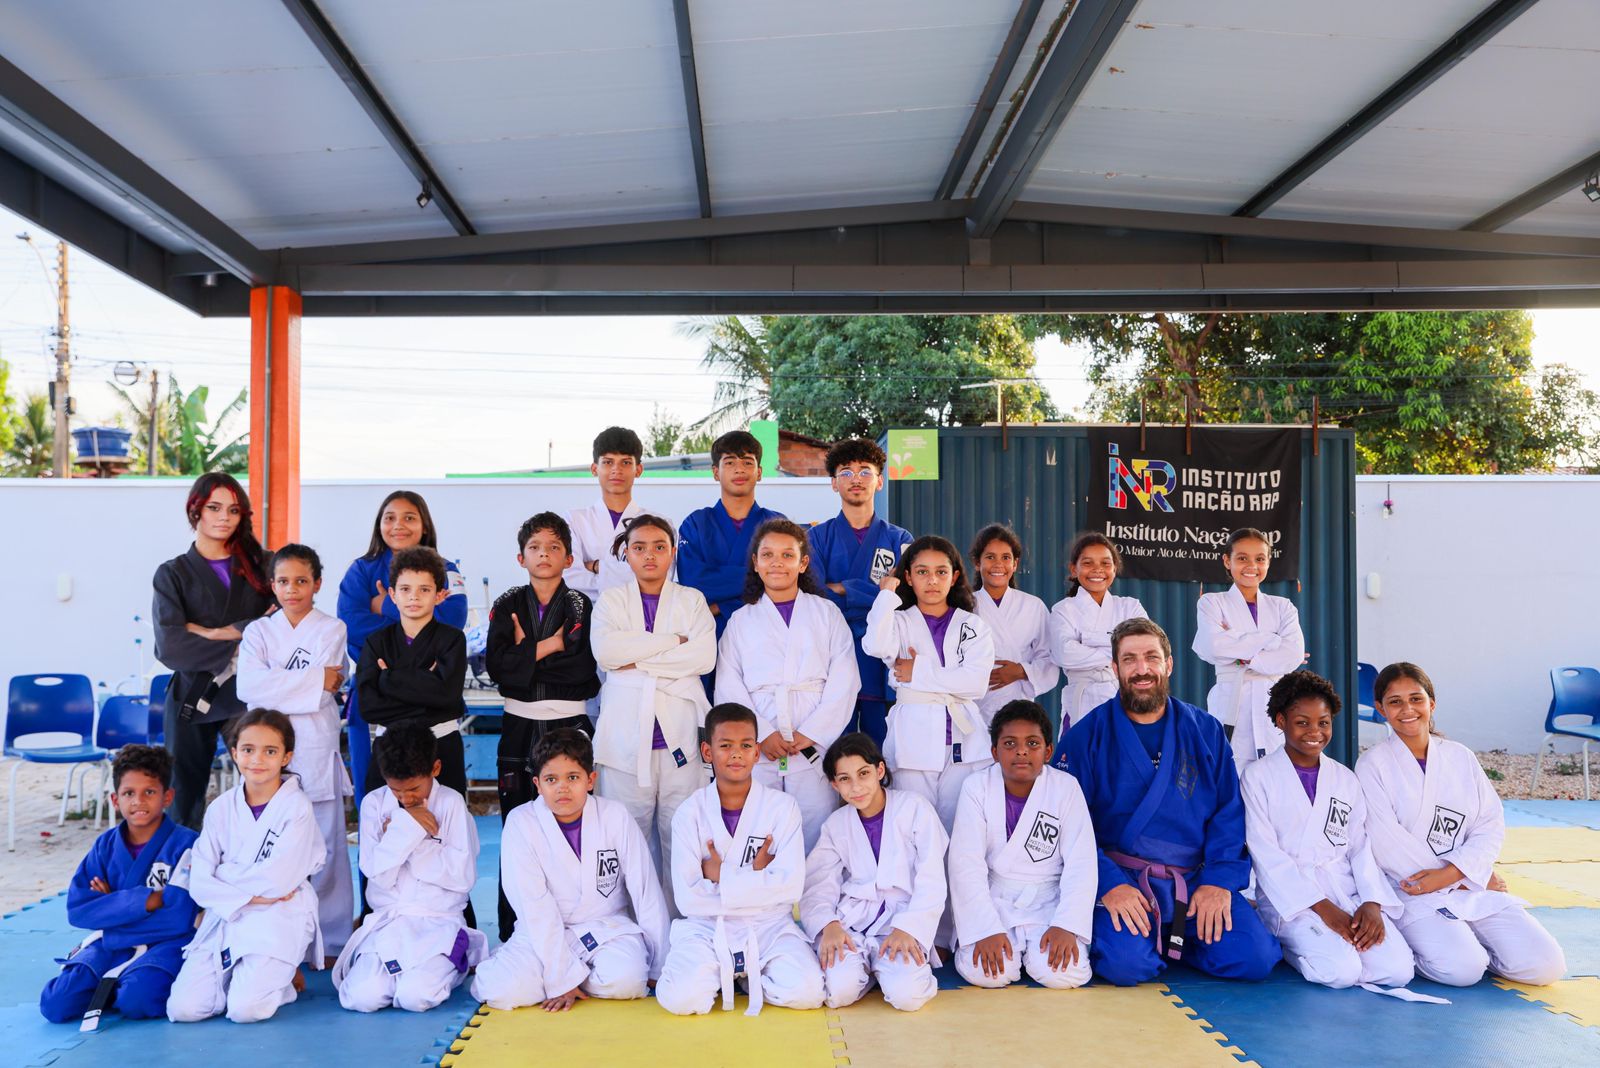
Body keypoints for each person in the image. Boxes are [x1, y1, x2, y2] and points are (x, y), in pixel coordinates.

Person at [1054, 617, 1281, 987]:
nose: (1141, 669)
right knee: (1126, 968)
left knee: (1254, 958)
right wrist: (1108, 885)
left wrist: (1218, 882)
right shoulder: (1086, 736)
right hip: (1126, 883)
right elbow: (1068, 825)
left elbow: (1229, 813)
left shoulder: (1205, 730)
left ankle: (1169, 942)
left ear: (1168, 664)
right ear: (1114, 668)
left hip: (1192, 883)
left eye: (1151, 657)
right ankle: (1153, 943)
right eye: (1129, 660)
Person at [1357, 662, 1566, 987]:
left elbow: (1489, 824)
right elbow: (1385, 841)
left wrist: (1457, 874)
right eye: (1395, 701)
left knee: (1545, 966)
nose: (1407, 709)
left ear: (1432, 704)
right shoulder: (1372, 765)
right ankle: (1436, 943)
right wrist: (1455, 876)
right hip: (1414, 889)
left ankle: (1474, 941)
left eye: (1416, 699)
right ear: (1381, 709)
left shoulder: (1460, 757)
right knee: (1463, 970)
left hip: (1467, 885)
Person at [1241, 671, 1416, 993]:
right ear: (1280, 721)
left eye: (1323, 722)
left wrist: (1372, 904)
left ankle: (1336, 944)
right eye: (1302, 722)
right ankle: (1289, 942)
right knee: (1340, 972)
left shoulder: (1344, 778)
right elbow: (1265, 854)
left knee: (1398, 971)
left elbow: (1361, 847)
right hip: (1292, 898)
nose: (1315, 732)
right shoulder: (1258, 777)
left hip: (1343, 891)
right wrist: (1323, 909)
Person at [472, 729, 669, 1012]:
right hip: (544, 934)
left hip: (606, 928)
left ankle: (566, 978)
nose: (562, 788)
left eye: (573, 778)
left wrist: (658, 966)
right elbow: (534, 905)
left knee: (626, 983)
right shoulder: (522, 822)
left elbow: (645, 889)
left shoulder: (615, 816)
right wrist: (562, 976)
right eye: (552, 779)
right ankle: (558, 974)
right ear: (537, 784)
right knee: (504, 991)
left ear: (591, 780)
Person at [655, 703, 824, 1016]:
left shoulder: (782, 807)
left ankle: (744, 977)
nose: (736, 754)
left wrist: (722, 876)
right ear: (707, 752)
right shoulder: (689, 814)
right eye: (725, 746)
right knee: (681, 1000)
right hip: (708, 927)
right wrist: (759, 878)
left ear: (757, 753)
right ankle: (726, 973)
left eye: (746, 746)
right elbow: (689, 899)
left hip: (768, 926)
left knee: (808, 992)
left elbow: (790, 888)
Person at [591, 514, 716, 916]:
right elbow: (607, 654)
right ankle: (628, 930)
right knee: (627, 841)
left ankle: (683, 930)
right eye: (639, 547)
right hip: (626, 741)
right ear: (625, 553)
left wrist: (638, 660)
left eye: (659, 546)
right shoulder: (611, 601)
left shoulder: (691, 600)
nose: (650, 555)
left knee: (681, 839)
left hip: (679, 738)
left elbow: (703, 656)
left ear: (673, 552)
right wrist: (669, 644)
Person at [167, 710, 326, 1024]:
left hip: (277, 913)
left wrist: (222, 874)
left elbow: (279, 881)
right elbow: (198, 881)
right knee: (183, 1010)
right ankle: (260, 976)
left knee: (245, 1010)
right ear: (234, 752)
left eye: (270, 751)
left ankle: (280, 984)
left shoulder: (296, 807)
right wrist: (245, 893)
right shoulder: (221, 808)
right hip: (229, 914)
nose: (258, 759)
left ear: (286, 756)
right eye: (249, 750)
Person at [485, 512, 600, 938]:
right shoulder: (506, 604)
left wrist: (525, 655)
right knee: (516, 824)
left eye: (554, 547)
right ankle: (514, 930)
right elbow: (497, 667)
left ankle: (575, 923)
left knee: (574, 821)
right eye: (535, 547)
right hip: (518, 725)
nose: (544, 554)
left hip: (568, 722)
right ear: (520, 557)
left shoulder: (579, 605)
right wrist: (551, 647)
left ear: (569, 557)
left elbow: (582, 670)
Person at [237, 543, 354, 959]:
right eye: (283, 581)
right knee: (271, 842)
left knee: (326, 845)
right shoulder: (257, 632)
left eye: (301, 581)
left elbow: (328, 688)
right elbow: (248, 689)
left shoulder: (331, 629)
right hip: (266, 750)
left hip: (315, 745)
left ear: (317, 584)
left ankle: (334, 938)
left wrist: (281, 682)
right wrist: (310, 680)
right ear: (272, 585)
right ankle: (277, 939)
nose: (292, 589)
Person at [715, 518, 859, 850]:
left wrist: (814, 733)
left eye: (787, 555)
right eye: (767, 555)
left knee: (816, 830)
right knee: (758, 829)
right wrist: (761, 734)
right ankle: (764, 900)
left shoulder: (826, 613)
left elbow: (845, 678)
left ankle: (811, 902)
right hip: (760, 744)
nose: (777, 563)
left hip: (812, 743)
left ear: (803, 562)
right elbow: (728, 683)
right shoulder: (741, 620)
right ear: (755, 562)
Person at [39, 745, 200, 1026]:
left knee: (138, 1001)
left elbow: (179, 917)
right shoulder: (105, 846)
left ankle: (119, 988)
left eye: (149, 792)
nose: (138, 801)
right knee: (56, 1003)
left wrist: (113, 906)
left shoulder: (186, 845)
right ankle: (114, 985)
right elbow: (79, 910)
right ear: (115, 799)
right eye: (128, 793)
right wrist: (145, 901)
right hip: (111, 945)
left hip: (165, 944)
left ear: (167, 797)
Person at [333, 724, 486, 1013]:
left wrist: (411, 837)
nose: (406, 798)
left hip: (439, 921)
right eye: (396, 790)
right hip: (389, 922)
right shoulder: (373, 804)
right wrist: (406, 829)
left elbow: (461, 877)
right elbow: (376, 874)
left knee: (415, 997)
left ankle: (457, 962)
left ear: (436, 768)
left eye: (414, 788)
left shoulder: (452, 804)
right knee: (361, 998)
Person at [152, 472, 274, 830]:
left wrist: (222, 631)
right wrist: (247, 634)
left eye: (233, 510)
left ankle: (261, 869)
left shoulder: (265, 565)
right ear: (196, 512)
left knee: (264, 785)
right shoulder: (171, 574)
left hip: (248, 693)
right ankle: (179, 875)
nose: (224, 517)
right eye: (214, 508)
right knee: (182, 796)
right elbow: (170, 645)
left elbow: (282, 623)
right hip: (192, 693)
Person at [948, 701, 1095, 990]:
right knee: (988, 973)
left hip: (1049, 901)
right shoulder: (976, 788)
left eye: (1032, 743)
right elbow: (966, 864)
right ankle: (1010, 949)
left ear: (1048, 751)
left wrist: (1067, 925)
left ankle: (1036, 951)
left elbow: (1082, 863)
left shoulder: (1065, 788)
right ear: (994, 752)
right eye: (1010, 743)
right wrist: (985, 929)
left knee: (1064, 974)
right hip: (995, 898)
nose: (1022, 751)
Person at [801, 732, 946, 1012]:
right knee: (839, 992)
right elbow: (818, 884)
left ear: (880, 770)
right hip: (852, 924)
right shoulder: (836, 824)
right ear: (834, 784)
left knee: (908, 997)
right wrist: (828, 925)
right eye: (844, 779)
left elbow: (931, 878)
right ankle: (868, 969)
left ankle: (886, 970)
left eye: (863, 773)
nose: (856, 787)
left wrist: (909, 928)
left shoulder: (914, 808)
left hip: (902, 921)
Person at [338, 491, 468, 798]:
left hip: (429, 716)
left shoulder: (447, 569)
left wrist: (383, 606)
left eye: (409, 517)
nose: (399, 525)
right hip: (378, 699)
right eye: (389, 517)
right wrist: (408, 628)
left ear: (424, 525)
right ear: (378, 524)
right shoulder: (361, 568)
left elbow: (452, 619)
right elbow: (352, 625)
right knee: (377, 801)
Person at [861, 535, 996, 830]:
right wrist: (885, 594)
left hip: (964, 744)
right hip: (913, 741)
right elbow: (873, 645)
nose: (932, 580)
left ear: (955, 576)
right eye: (922, 572)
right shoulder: (898, 622)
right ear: (907, 577)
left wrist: (917, 672)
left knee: (961, 828)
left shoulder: (972, 625)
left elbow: (975, 683)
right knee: (913, 828)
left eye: (941, 572)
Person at [807, 438, 913, 744]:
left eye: (865, 472)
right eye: (846, 472)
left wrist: (845, 589)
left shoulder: (899, 538)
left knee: (880, 748)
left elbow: (905, 597)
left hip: (880, 656)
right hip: (832, 651)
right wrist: (877, 595)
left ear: (880, 481)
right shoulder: (816, 537)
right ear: (833, 484)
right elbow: (815, 596)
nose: (856, 479)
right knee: (831, 747)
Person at [1193, 527, 1305, 770]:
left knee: (1276, 778)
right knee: (1230, 775)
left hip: (1273, 699)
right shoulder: (1212, 602)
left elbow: (1293, 654)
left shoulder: (1283, 607)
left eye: (1260, 559)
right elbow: (1212, 645)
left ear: (1268, 562)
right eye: (1242, 558)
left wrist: (1238, 650)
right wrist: (1272, 639)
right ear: (1227, 560)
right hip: (1231, 700)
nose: (1251, 565)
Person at [676, 430, 785, 643]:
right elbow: (694, 582)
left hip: (764, 634)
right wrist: (761, 577)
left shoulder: (777, 524)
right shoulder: (695, 523)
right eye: (729, 463)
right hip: (708, 634)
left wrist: (722, 606)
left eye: (747, 462)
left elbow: (786, 583)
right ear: (716, 472)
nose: (739, 469)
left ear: (759, 472)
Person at [1047, 532, 1147, 736]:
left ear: (1114, 568)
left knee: (1122, 763)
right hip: (1081, 700)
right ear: (1074, 569)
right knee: (1078, 764)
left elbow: (1144, 648)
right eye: (1088, 563)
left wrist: (1088, 641)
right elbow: (1064, 654)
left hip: (1123, 697)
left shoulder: (1130, 606)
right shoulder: (1063, 609)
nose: (1097, 570)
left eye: (1105, 563)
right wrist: (1120, 650)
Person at [969, 525, 1059, 728]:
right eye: (990, 557)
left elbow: (1050, 659)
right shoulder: (965, 606)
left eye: (1006, 558)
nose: (998, 564)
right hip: (976, 708)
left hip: (1019, 706)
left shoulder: (1033, 606)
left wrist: (1020, 671)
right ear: (977, 563)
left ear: (1015, 564)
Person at [564, 426, 649, 596]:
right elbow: (570, 578)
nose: (616, 470)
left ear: (638, 470)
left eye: (625, 462)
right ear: (594, 469)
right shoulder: (574, 520)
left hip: (641, 619)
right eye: (608, 462)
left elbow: (660, 578)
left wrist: (597, 566)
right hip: (589, 618)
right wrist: (632, 578)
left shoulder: (657, 523)